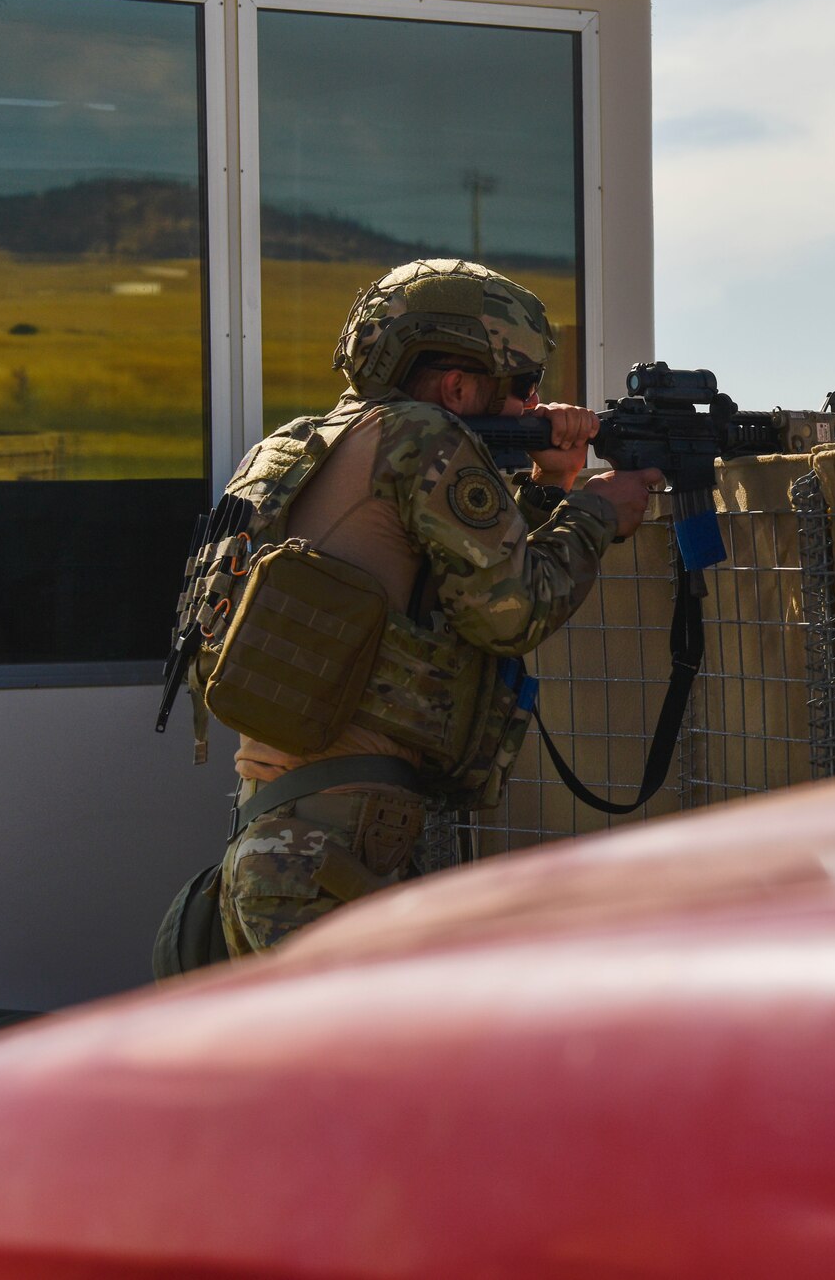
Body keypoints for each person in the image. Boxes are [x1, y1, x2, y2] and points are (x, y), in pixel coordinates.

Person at [203, 258, 662, 956]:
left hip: (275, 845)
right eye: (524, 388)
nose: (531, 409)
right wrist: (594, 514)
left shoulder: (295, 446)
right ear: (458, 383)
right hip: (335, 857)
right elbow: (512, 611)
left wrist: (546, 486)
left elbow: (441, 591)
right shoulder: (424, 436)